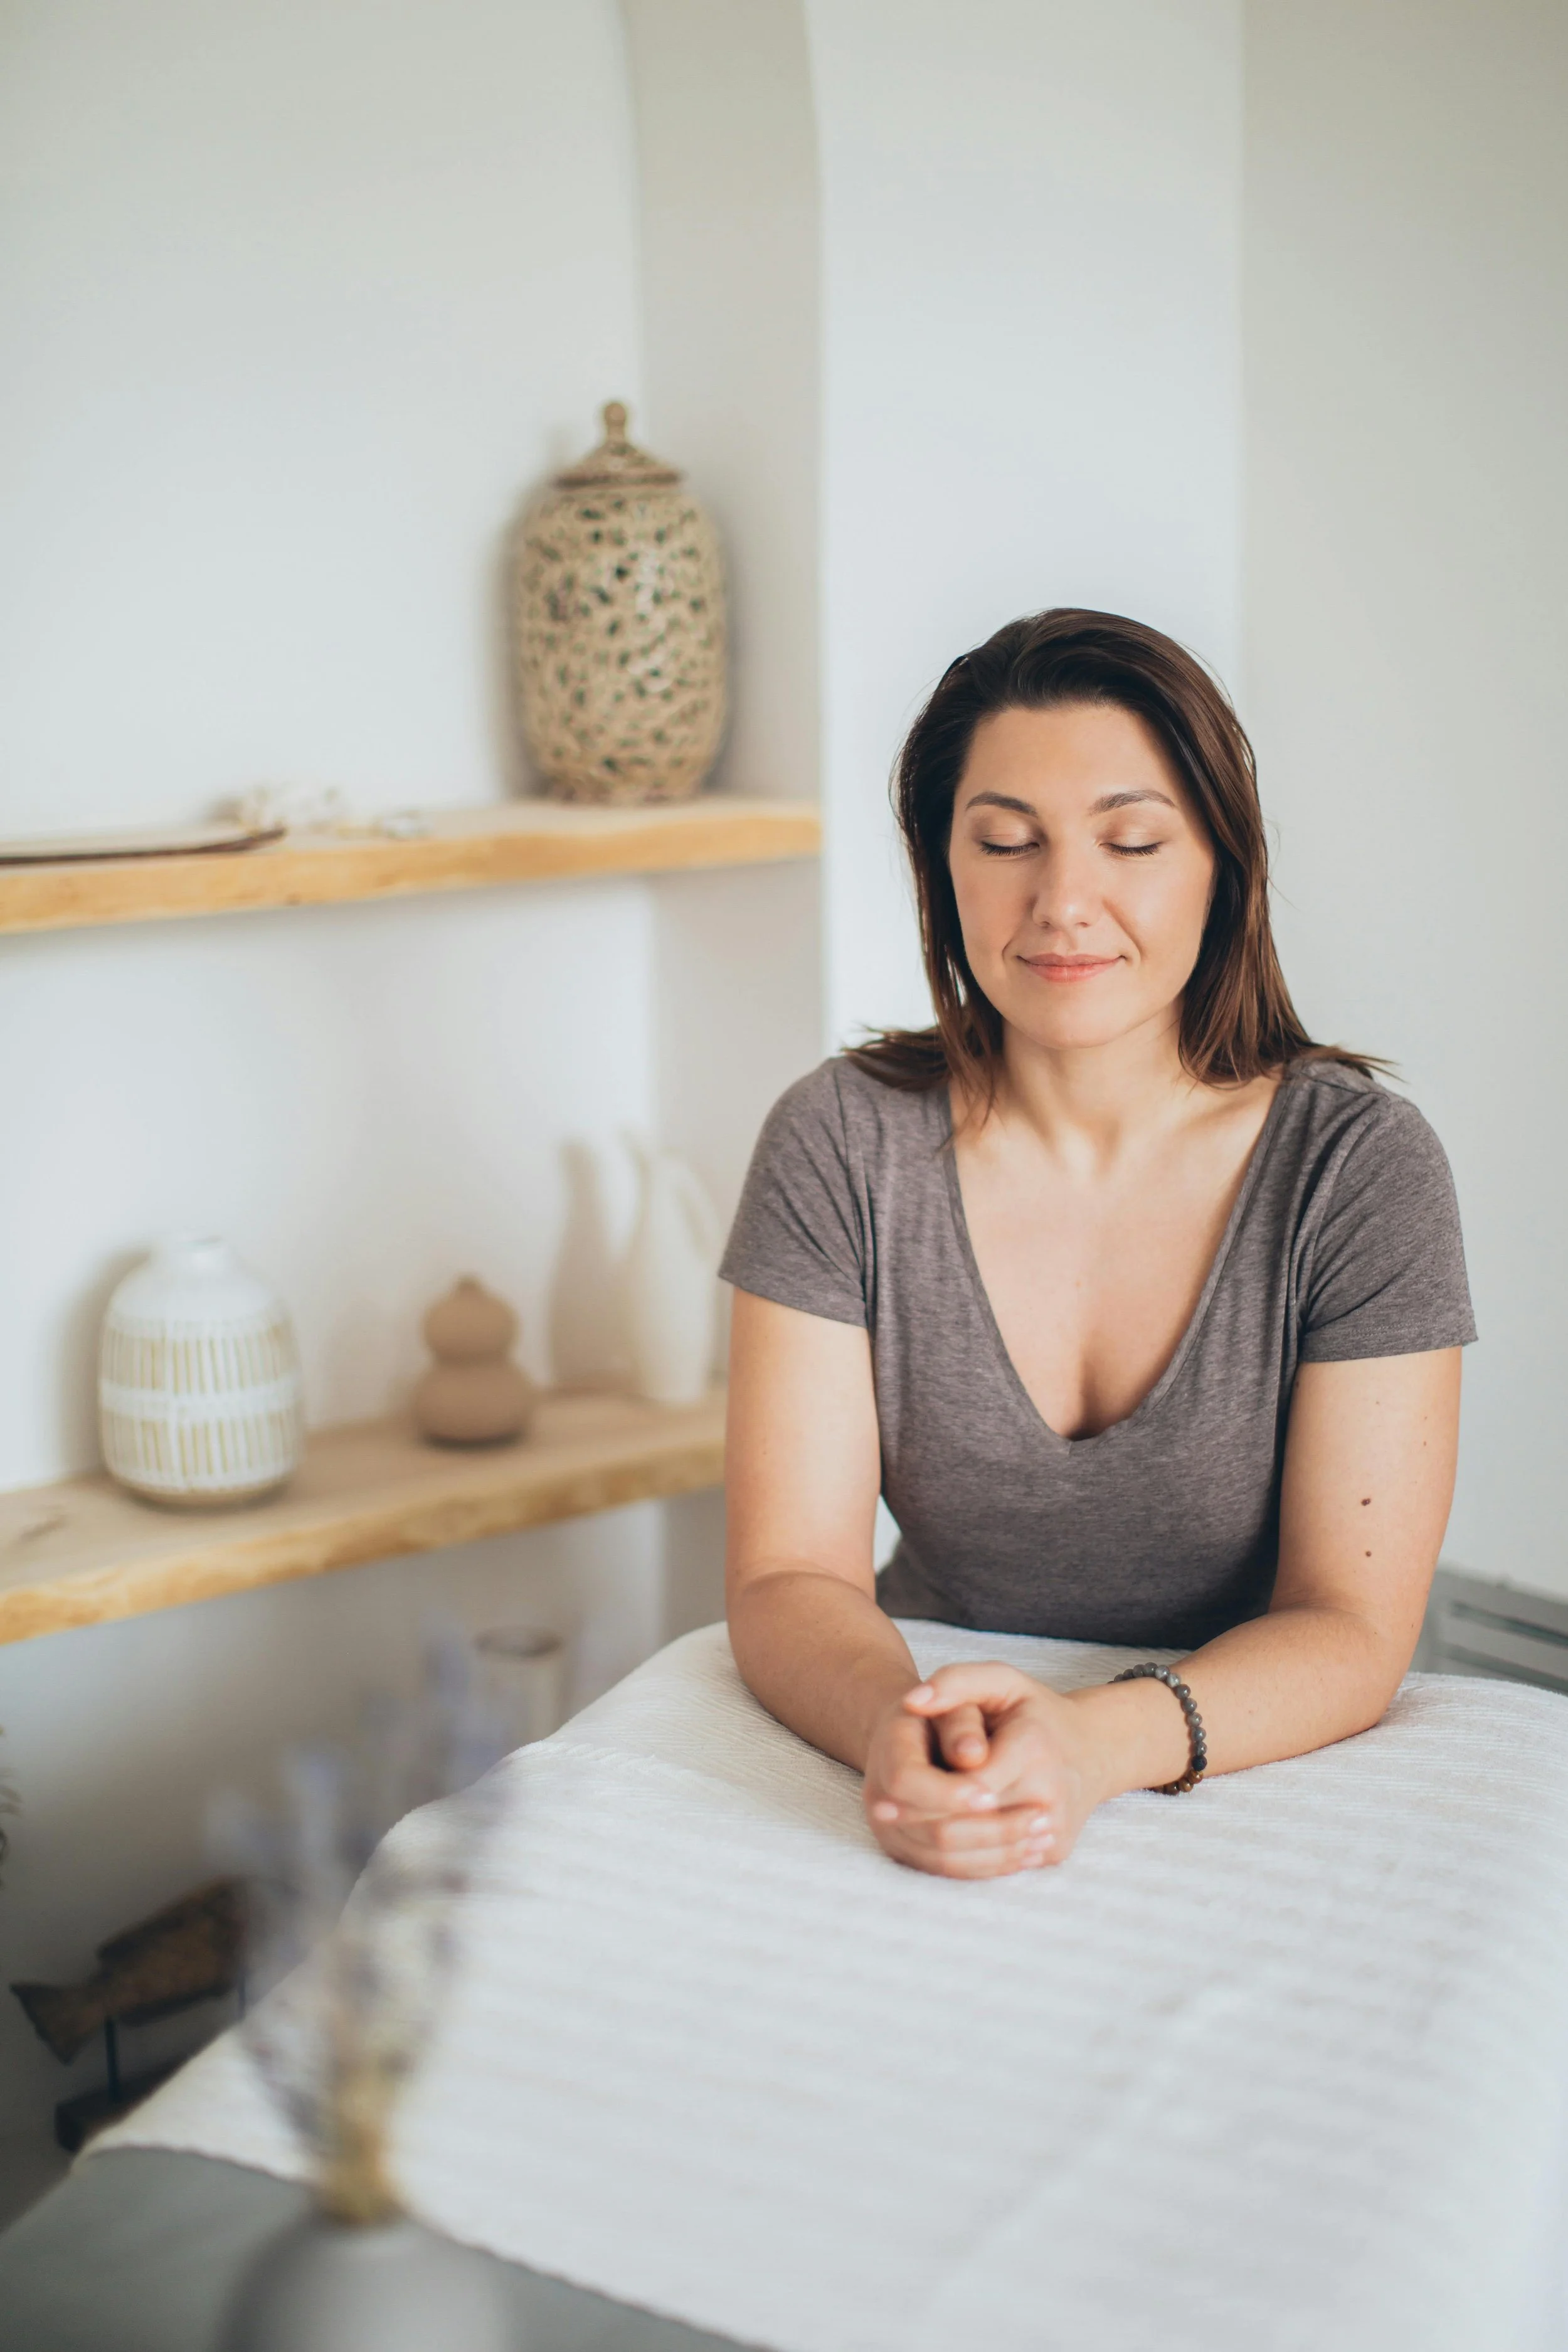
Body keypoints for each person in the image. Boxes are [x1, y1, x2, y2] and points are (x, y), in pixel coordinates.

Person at [719, 608, 1475, 1879]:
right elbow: (790, 1574)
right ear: (939, 869)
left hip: (1250, 1766)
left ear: (1219, 866)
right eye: (1004, 842)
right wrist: (900, 1737)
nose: (1061, 902)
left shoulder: (1356, 1168)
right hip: (934, 1730)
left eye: (1129, 840)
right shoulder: (838, 1144)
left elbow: (1347, 1624)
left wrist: (1086, 1746)